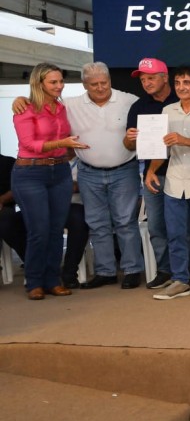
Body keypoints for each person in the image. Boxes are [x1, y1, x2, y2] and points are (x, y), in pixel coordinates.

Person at [64, 62, 145, 289]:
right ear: (84, 85)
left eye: (104, 82)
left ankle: (132, 270)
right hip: (88, 173)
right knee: (97, 223)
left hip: (124, 170)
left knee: (125, 222)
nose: (100, 88)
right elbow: (43, 105)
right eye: (94, 84)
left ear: (110, 80)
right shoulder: (70, 105)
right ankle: (105, 272)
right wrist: (21, 100)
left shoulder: (129, 101)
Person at [11, 63, 86, 299]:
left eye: (61, 81)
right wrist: (63, 143)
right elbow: (29, 144)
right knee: (39, 231)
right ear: (39, 83)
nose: (59, 86)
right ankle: (34, 282)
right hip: (30, 173)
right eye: (53, 82)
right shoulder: (25, 108)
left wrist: (70, 146)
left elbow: (66, 139)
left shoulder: (61, 108)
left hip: (60, 172)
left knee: (55, 230)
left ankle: (53, 280)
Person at [145, 66, 190, 302]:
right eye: (177, 83)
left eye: (186, 82)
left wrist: (185, 140)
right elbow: (162, 147)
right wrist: (151, 170)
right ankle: (180, 281)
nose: (181, 87)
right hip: (174, 181)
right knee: (176, 235)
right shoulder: (167, 111)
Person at [123, 58, 178, 289]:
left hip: (181, 172)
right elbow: (129, 145)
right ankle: (165, 270)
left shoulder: (181, 100)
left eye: (151, 77)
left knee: (183, 225)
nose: (146, 82)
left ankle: (183, 271)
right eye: (143, 79)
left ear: (165, 78)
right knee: (156, 226)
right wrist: (129, 138)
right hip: (152, 175)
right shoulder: (139, 107)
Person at [0, 154, 89, 290]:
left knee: (79, 219)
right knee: (8, 222)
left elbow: (96, 185)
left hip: (71, 205)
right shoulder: (36, 162)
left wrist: (77, 185)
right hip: (38, 205)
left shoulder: (86, 161)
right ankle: (37, 265)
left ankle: (69, 272)